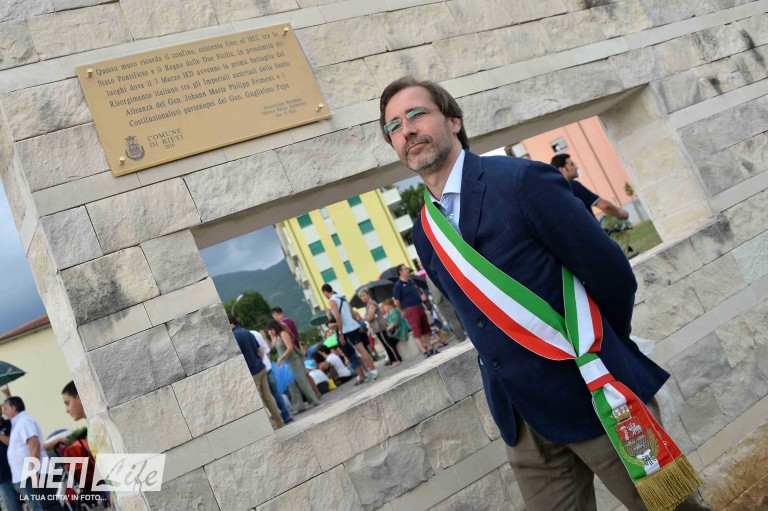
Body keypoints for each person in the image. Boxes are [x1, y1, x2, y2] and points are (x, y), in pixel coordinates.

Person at [379, 76, 705, 511]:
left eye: (416, 114)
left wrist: (598, 351)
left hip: (594, 394)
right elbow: (471, 316)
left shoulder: (522, 180)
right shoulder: (424, 231)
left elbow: (611, 274)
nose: (407, 130)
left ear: (453, 120)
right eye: (394, 126)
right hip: (523, 421)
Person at [229, 315, 285, 429]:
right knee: (268, 398)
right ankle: (280, 423)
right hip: (261, 368)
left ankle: (269, 427)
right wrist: (259, 362)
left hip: (252, 373)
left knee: (259, 402)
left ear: (231, 323)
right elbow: (260, 351)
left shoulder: (234, 337)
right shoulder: (247, 332)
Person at [322, 284, 378, 384]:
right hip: (354, 326)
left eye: (324, 294)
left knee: (361, 351)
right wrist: (357, 324)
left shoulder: (332, 300)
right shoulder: (342, 298)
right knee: (362, 350)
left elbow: (338, 317)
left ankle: (373, 371)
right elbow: (352, 313)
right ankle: (372, 370)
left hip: (347, 329)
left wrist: (340, 333)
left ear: (325, 292)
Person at [0, 397, 48, 511]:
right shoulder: (17, 422)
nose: (4, 411)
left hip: (24, 473)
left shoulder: (15, 423)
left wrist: (34, 470)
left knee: (38, 505)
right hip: (7, 477)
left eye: (5, 408)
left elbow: (33, 444)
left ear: (14, 408)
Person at [550, 153, 630, 220]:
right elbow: (606, 206)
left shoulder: (554, 191)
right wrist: (620, 214)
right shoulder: (572, 185)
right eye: (571, 164)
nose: (576, 167)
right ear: (562, 170)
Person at [265, 319, 319, 412]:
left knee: (302, 381)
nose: (270, 332)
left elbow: (289, 348)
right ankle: (299, 406)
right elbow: (270, 347)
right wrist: (266, 337)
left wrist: (280, 358)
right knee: (291, 384)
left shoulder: (283, 334)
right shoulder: (275, 336)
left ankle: (313, 400)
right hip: (286, 363)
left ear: (274, 327)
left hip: (293, 361)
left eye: (270, 330)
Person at [250, 328, 294, 425]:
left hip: (255, 370)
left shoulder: (243, 336)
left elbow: (262, 351)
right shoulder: (255, 333)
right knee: (275, 393)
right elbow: (266, 350)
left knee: (264, 398)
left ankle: (275, 421)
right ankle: (286, 417)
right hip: (267, 367)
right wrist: (267, 362)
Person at [392, 264, 437, 357]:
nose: (407, 270)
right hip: (410, 309)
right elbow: (396, 302)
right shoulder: (398, 285)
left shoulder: (410, 281)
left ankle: (430, 349)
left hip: (419, 306)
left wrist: (421, 298)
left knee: (425, 329)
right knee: (417, 332)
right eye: (405, 269)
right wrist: (402, 310)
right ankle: (424, 352)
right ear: (400, 272)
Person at [358, 289, 403, 367]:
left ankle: (397, 359)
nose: (363, 298)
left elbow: (370, 317)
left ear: (368, 295)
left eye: (364, 295)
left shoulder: (372, 304)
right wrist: (366, 317)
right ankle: (393, 360)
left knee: (387, 344)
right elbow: (368, 316)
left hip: (380, 327)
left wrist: (365, 317)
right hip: (376, 328)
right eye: (361, 296)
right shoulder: (368, 305)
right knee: (385, 344)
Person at [425, 273, 466, 342]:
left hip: (441, 298)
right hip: (444, 296)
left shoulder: (429, 271)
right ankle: (462, 335)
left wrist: (436, 299)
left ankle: (461, 338)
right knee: (455, 317)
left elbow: (434, 288)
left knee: (452, 319)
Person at [0, 413, 17, 511]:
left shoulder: (9, 424)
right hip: (2, 479)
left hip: (17, 473)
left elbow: (13, 442)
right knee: (13, 508)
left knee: (33, 504)